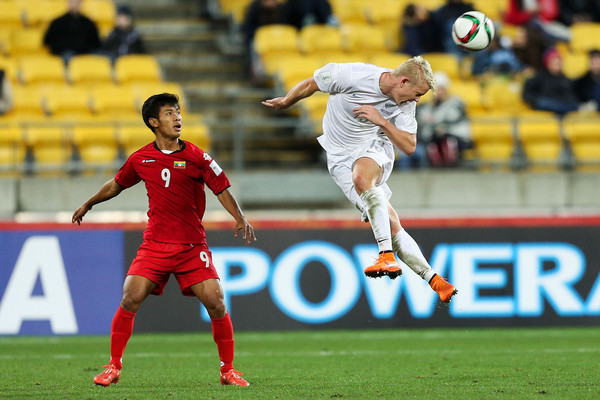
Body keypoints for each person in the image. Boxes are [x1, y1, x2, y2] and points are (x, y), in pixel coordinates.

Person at [72, 93, 255, 387]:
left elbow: (221, 188)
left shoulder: (197, 156)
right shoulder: (140, 158)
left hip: (191, 245)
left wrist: (239, 216)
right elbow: (116, 185)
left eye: (178, 112)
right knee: (130, 296)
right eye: (170, 113)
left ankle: (227, 370)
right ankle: (113, 367)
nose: (178, 118)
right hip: (155, 243)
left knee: (217, 302)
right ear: (154, 122)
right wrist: (89, 203)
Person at [261, 57, 458, 303]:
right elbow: (313, 83)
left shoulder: (405, 103)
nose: (417, 100)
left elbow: (409, 146)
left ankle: (385, 254)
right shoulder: (353, 75)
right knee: (391, 223)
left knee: (362, 178)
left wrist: (382, 122)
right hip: (339, 159)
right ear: (404, 81)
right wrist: (287, 100)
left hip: (373, 145)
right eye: (417, 93)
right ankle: (435, 280)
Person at [417, 72, 472, 167]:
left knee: (448, 140)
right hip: (434, 137)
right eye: (436, 90)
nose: (439, 92)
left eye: (441, 89)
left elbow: (451, 118)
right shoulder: (426, 106)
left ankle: (450, 161)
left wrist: (433, 120)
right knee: (431, 141)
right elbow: (421, 120)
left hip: (456, 135)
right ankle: (436, 164)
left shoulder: (457, 102)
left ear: (446, 89)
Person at [522, 47, 581, 116]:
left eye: (559, 60)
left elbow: (573, 97)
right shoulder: (541, 77)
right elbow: (527, 93)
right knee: (543, 103)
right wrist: (536, 100)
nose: (558, 63)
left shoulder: (565, 79)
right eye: (555, 60)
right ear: (548, 62)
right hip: (547, 108)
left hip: (564, 106)